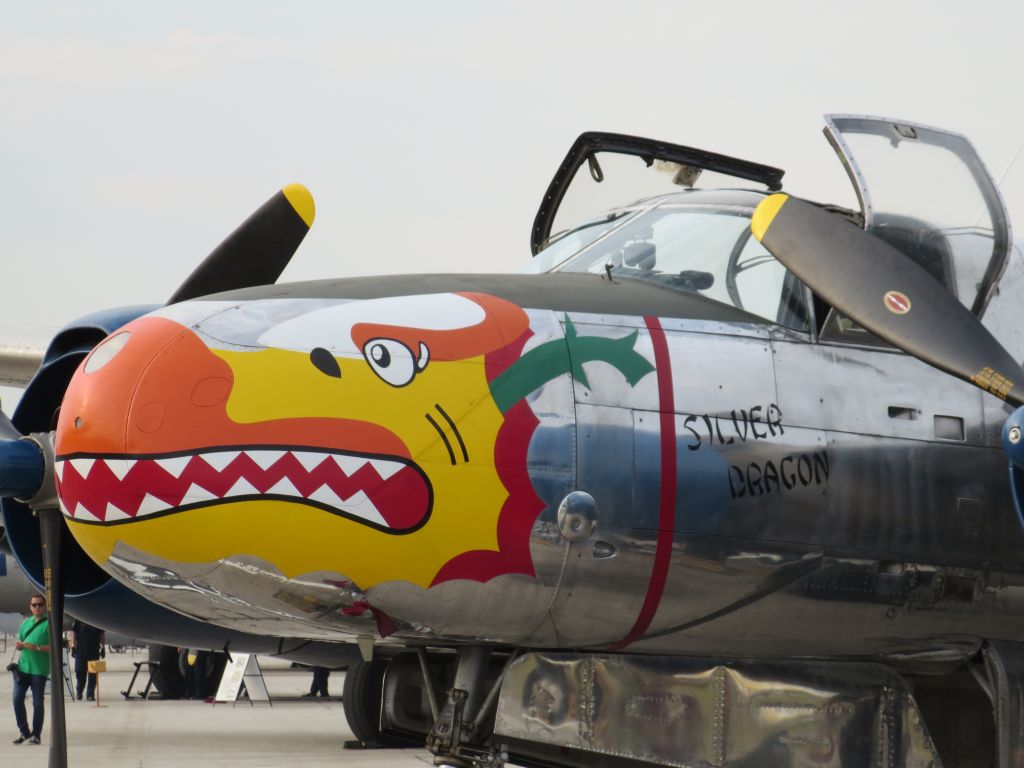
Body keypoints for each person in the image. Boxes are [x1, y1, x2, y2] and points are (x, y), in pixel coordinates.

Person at [11, 594, 50, 745]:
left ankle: (36, 734)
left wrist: (38, 647)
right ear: (30, 607)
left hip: (39, 670)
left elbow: (55, 647)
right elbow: (20, 642)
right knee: (17, 699)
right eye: (34, 605)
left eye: (40, 605)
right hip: (23, 668)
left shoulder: (49, 624)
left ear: (45, 606)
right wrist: (19, 645)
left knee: (37, 703)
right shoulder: (26, 623)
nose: (37, 607)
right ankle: (24, 731)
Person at [69, 618, 105, 701]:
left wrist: (103, 648)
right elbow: (74, 633)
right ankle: (79, 691)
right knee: (80, 673)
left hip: (94, 651)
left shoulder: (97, 619)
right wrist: (73, 646)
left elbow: (102, 634)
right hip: (81, 651)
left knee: (93, 675)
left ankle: (90, 694)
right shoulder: (78, 619)